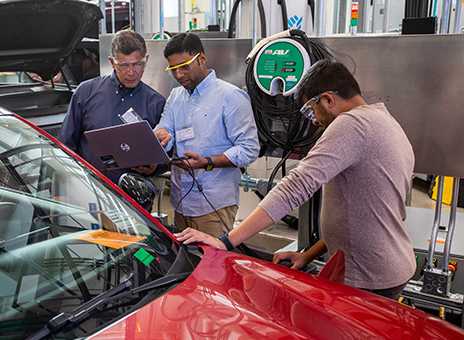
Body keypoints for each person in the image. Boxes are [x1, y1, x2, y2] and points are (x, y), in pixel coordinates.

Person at [176, 58, 416, 300]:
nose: (313, 120)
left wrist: (227, 242)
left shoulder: (351, 125)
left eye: (311, 110)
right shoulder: (383, 120)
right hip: (388, 264)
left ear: (328, 100)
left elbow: (295, 187)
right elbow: (361, 216)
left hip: (369, 276)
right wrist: (308, 255)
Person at [154, 33, 260, 237]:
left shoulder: (230, 97)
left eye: (184, 66)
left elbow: (249, 149)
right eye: (173, 69)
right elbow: (166, 127)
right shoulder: (176, 96)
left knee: (212, 265)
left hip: (213, 205)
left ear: (201, 59)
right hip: (180, 201)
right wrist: (163, 136)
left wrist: (207, 162)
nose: (179, 75)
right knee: (187, 264)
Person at [57, 30, 166, 184]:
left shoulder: (155, 103)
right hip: (89, 187)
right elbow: (65, 143)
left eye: (137, 64)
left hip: (132, 195)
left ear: (146, 60)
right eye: (123, 65)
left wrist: (155, 168)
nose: (131, 72)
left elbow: (164, 155)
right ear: (112, 62)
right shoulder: (86, 92)